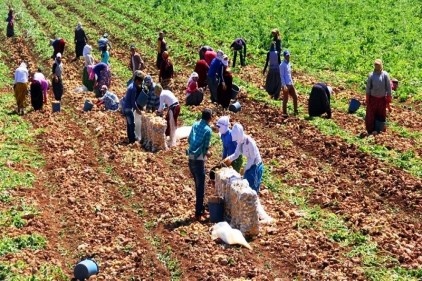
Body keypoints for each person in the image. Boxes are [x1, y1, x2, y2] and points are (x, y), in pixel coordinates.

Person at [187, 108, 213, 221]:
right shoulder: (208, 130)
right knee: (200, 187)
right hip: (198, 160)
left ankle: (200, 208)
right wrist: (208, 153)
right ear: (210, 118)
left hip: (190, 158)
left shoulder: (195, 125)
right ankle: (198, 213)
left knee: (198, 184)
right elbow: (205, 148)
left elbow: (189, 140)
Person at [223, 123, 264, 194]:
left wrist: (245, 168)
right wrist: (228, 159)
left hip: (256, 166)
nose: (236, 141)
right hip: (249, 164)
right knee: (245, 183)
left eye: (236, 140)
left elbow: (252, 158)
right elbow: (236, 154)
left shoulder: (250, 143)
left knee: (253, 187)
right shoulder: (240, 143)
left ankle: (253, 203)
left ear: (240, 136)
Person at [365, 59, 392, 134]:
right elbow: (368, 88)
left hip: (382, 99)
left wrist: (389, 97)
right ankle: (371, 129)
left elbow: (388, 87)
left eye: (378, 65)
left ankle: (379, 129)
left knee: (381, 114)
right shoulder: (371, 75)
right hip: (373, 98)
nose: (376, 66)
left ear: (381, 65)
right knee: (371, 114)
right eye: (375, 65)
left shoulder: (385, 75)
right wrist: (367, 98)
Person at [122, 70, 144, 144]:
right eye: (140, 82)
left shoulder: (131, 85)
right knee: (132, 124)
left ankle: (130, 138)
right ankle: (132, 140)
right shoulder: (133, 88)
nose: (140, 84)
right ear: (137, 80)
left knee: (129, 123)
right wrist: (137, 110)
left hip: (125, 107)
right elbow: (132, 101)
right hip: (128, 109)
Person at [280, 50, 298, 116]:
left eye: (288, 55)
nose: (288, 57)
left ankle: (296, 111)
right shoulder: (282, 65)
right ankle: (284, 113)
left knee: (295, 97)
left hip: (290, 83)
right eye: (287, 56)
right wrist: (284, 85)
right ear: (284, 56)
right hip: (286, 84)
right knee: (286, 99)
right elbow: (281, 76)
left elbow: (289, 74)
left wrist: (292, 82)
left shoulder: (289, 64)